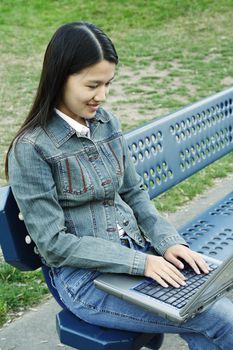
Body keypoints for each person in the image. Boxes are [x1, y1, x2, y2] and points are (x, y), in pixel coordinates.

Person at [5, 21, 233, 349]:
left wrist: (170, 244)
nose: (102, 96)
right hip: (87, 282)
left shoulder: (105, 123)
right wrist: (143, 263)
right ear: (60, 78)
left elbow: (134, 193)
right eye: (92, 85)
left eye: (108, 83)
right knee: (218, 318)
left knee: (210, 297)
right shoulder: (33, 150)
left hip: (139, 254)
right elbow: (54, 244)